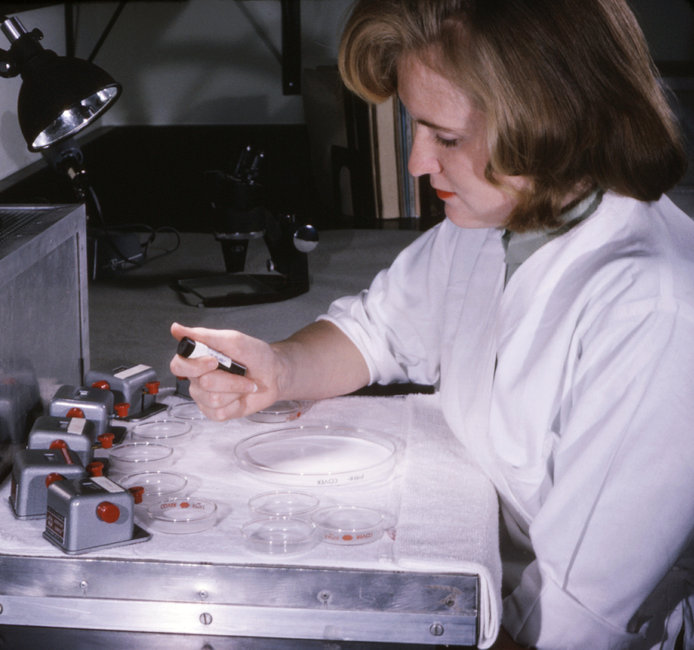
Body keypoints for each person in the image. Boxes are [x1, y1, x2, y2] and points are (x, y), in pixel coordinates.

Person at [169, 0, 694, 648]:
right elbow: (379, 329)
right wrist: (281, 366)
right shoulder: (492, 221)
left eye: (446, 138)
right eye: (415, 129)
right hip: (483, 582)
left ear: (553, 123)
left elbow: (578, 617)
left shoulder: (652, 309)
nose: (418, 162)